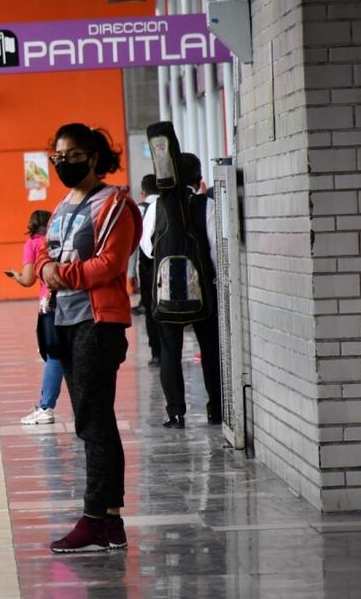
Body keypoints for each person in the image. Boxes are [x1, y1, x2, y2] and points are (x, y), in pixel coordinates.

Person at [34, 123, 142, 553]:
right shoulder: (63, 205)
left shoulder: (115, 204)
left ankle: (94, 518)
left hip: (97, 323)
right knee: (97, 420)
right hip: (65, 320)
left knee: (92, 422)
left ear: (94, 157)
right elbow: (45, 250)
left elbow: (112, 263)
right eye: (58, 157)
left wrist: (62, 275)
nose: (63, 163)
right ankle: (111, 521)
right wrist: (45, 268)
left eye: (73, 156)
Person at [146, 152, 221, 428]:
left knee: (170, 350)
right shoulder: (207, 205)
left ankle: (176, 413)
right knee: (210, 348)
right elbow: (216, 250)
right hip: (202, 291)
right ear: (199, 180)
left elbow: (147, 247)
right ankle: (216, 410)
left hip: (166, 291)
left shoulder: (156, 206)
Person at [6, 210, 66, 425]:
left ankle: (46, 407)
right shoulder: (59, 238)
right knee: (73, 354)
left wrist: (16, 276)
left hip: (49, 303)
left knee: (54, 354)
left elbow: (28, 279)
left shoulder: (32, 244)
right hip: (73, 299)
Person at [136, 174, 162, 367]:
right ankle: (169, 350)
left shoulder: (139, 209)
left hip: (146, 266)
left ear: (143, 192)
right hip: (166, 264)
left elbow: (133, 244)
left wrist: (131, 273)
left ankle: (156, 353)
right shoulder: (167, 205)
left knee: (150, 308)